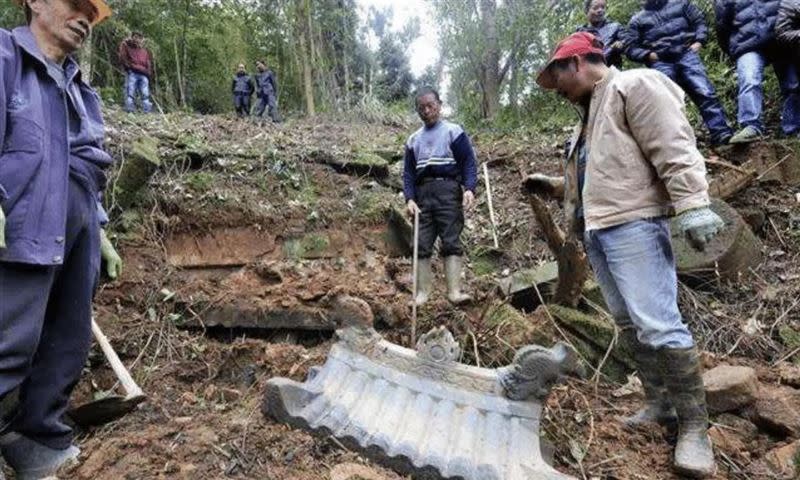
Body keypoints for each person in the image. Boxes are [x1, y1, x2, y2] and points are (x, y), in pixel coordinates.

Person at [533, 32, 723, 478]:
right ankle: (659, 405)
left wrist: (694, 203)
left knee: (658, 322)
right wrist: (558, 186)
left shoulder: (634, 85)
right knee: (628, 322)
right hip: (602, 229)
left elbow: (673, 146)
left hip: (633, 225)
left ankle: (696, 429)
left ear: (577, 62)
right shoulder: (590, 113)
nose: (556, 89)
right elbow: (606, 174)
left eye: (557, 76)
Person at [0, 0, 122, 478]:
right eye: (75, 5)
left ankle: (35, 438)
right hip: (22, 227)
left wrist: (100, 228)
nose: (84, 19)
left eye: (91, 15)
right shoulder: (7, 57)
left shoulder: (80, 89)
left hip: (78, 231)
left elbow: (87, 159)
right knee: (9, 341)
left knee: (66, 341)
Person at [403, 88, 477, 306]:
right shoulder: (413, 140)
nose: (427, 111)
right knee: (421, 242)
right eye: (421, 108)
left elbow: (468, 163)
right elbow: (408, 173)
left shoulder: (454, 132)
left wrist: (469, 188)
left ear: (439, 105)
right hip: (423, 194)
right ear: (417, 111)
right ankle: (422, 294)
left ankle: (454, 292)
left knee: (451, 240)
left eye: (430, 106)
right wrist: (409, 198)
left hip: (449, 191)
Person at [625, 0, 734, 145]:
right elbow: (630, 47)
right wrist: (648, 55)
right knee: (668, 103)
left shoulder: (681, 4)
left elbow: (699, 21)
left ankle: (721, 132)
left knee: (704, 91)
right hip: (661, 62)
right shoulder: (637, 20)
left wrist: (699, 41)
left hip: (686, 54)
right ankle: (682, 143)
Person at [716, 0, 800, 143]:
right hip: (747, 43)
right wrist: (733, 50)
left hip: (781, 41)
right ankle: (751, 126)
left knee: (793, 85)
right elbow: (722, 26)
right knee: (749, 79)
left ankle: (793, 128)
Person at [576, 0, 627, 68]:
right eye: (595, 8)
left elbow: (628, 43)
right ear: (586, 10)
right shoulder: (580, 32)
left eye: (603, 7)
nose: (600, 10)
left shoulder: (615, 27)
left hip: (612, 73)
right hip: (590, 73)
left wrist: (619, 45)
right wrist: (610, 48)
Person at [118, 31, 153, 113]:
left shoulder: (144, 51)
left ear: (142, 39)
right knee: (130, 92)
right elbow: (122, 57)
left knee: (145, 93)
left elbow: (148, 62)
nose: (137, 39)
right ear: (132, 37)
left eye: (139, 38)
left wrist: (148, 73)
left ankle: (146, 111)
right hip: (132, 72)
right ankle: (130, 110)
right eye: (135, 37)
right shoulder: (126, 46)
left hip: (143, 74)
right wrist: (129, 67)